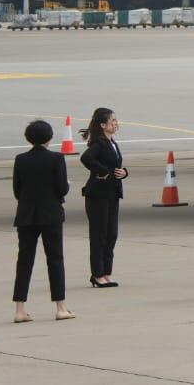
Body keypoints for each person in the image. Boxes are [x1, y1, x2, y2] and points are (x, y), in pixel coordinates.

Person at [12, 118, 73, 323]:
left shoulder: (20, 159)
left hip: (26, 215)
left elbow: (17, 191)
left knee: (24, 261)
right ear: (49, 137)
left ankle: (20, 309)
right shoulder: (56, 159)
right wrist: (67, 185)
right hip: (51, 214)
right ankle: (60, 307)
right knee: (55, 259)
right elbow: (61, 189)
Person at [79, 106, 127, 288]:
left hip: (112, 194)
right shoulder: (98, 143)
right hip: (98, 195)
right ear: (103, 125)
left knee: (111, 234)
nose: (116, 123)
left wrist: (123, 172)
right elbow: (86, 159)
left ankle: (107, 272)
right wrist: (103, 172)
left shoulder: (112, 142)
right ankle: (97, 274)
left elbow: (115, 164)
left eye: (115, 120)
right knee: (99, 235)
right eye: (112, 121)